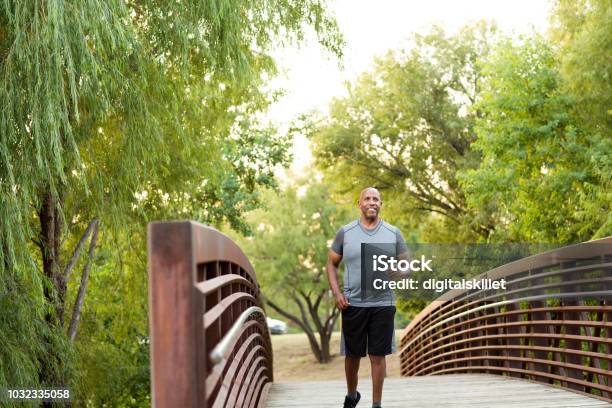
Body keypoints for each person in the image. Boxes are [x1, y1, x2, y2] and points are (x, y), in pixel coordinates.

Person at [327, 187, 409, 408]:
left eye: (376, 199)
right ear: (359, 203)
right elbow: (331, 263)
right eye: (367, 199)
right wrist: (337, 293)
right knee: (352, 356)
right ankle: (352, 395)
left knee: (377, 356)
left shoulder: (394, 233)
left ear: (380, 204)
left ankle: (376, 404)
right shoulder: (346, 232)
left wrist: (399, 271)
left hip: (383, 303)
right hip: (353, 304)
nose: (372, 202)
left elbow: (406, 265)